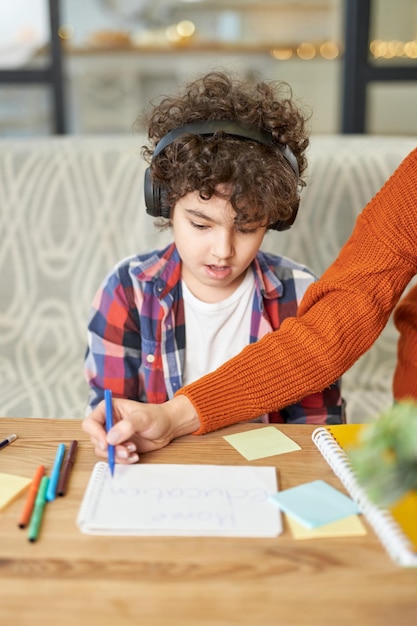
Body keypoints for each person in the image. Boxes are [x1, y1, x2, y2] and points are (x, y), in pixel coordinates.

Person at [83, 71, 343, 462]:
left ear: (274, 220)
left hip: (268, 478)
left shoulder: (302, 295)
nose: (223, 250)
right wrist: (115, 436)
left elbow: (319, 437)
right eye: (201, 224)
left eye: (248, 227)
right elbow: (112, 408)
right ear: (164, 204)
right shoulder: (127, 290)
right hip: (161, 475)